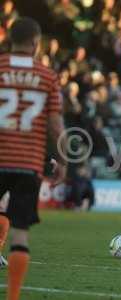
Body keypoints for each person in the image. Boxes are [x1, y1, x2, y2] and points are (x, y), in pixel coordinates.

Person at [0, 18, 67, 300]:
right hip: (28, 164)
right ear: (35, 42)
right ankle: (13, 297)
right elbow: (55, 126)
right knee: (20, 233)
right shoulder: (48, 76)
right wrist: (62, 160)